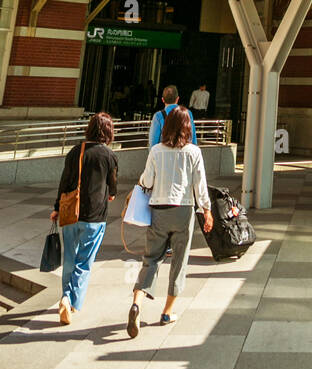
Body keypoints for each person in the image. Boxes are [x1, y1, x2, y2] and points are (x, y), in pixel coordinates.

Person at [127, 105, 212, 336]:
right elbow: (199, 185)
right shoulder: (194, 152)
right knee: (179, 262)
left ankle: (137, 303)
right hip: (183, 211)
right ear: (187, 127)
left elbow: (147, 180)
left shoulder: (156, 150)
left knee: (151, 259)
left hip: (159, 210)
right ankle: (167, 312)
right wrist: (207, 210)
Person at [51, 112, 118, 325]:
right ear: (108, 132)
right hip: (95, 216)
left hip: (71, 213)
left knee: (69, 258)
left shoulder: (75, 152)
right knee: (84, 261)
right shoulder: (109, 156)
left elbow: (64, 183)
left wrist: (56, 208)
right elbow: (112, 189)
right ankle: (71, 302)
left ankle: (64, 296)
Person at [149, 84, 197, 149]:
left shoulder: (158, 116)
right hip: (183, 154)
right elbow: (193, 139)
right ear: (177, 99)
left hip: (165, 155)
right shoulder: (187, 113)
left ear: (163, 100)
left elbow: (153, 143)